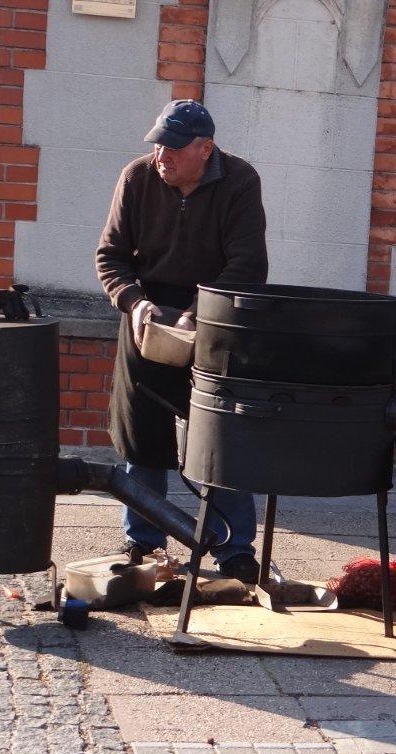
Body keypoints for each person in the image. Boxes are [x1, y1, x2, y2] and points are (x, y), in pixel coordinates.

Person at [95, 100, 267, 582]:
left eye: (172, 148)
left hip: (215, 321)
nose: (160, 157)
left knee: (220, 443)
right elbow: (110, 257)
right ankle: (143, 543)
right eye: (157, 145)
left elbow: (248, 267)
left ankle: (234, 550)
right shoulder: (137, 177)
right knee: (142, 438)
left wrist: (197, 315)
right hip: (146, 317)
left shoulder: (239, 181)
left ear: (204, 149)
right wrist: (134, 303)